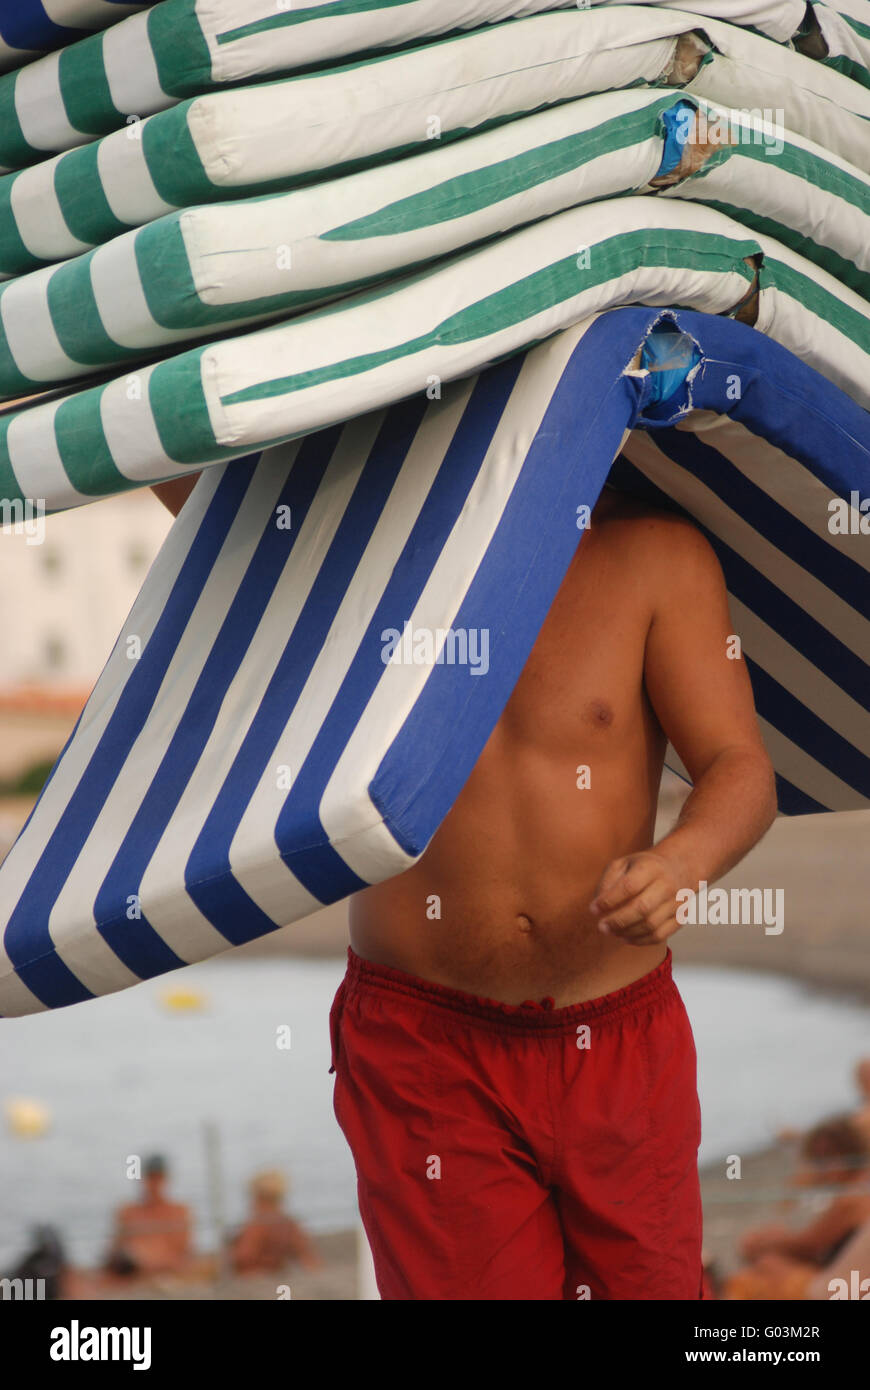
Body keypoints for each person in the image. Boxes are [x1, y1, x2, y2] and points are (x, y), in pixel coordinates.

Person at [153, 476, 777, 1300]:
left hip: (619, 1042)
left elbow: (739, 766)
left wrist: (682, 863)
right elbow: (185, 462)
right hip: (427, 1044)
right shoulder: (352, 544)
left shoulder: (654, 553)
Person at [104, 1154, 193, 1278]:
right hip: (130, 1275)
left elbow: (181, 1253)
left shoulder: (179, 1211)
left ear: (165, 1179)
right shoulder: (128, 1211)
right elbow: (113, 1251)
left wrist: (145, 1256)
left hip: (165, 1275)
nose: (154, 1183)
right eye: (150, 1177)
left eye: (158, 1177)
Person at [230, 1170, 322, 1274]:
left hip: (252, 1274)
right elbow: (307, 1258)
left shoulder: (257, 1225)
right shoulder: (289, 1223)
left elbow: (243, 1257)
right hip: (275, 1271)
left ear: (258, 1197)